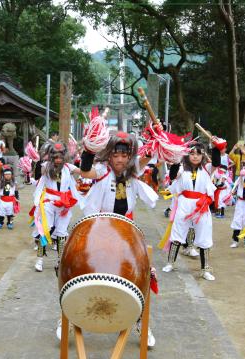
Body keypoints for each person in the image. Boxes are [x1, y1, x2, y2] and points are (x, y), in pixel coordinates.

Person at [78, 131, 158, 348]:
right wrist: (88, 149)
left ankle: (141, 321)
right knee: (84, 270)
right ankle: (68, 317)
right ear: (108, 156)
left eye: (124, 156)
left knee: (140, 274)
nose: (120, 160)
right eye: (115, 155)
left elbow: (149, 154)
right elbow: (86, 172)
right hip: (99, 228)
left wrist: (158, 137)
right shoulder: (102, 171)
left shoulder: (134, 170)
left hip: (126, 230)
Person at [162, 142, 218, 281]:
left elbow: (216, 162)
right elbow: (173, 175)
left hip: (201, 205)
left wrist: (217, 147)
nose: (195, 156)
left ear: (203, 155)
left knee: (204, 235)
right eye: (192, 153)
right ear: (187, 154)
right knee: (177, 232)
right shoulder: (181, 168)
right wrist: (176, 159)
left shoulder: (207, 169)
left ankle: (205, 270)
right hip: (184, 203)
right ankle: (170, 263)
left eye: (198, 153)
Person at [32, 142, 83, 272]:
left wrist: (87, 155)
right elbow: (39, 174)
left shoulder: (68, 167)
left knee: (61, 232)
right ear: (51, 157)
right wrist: (40, 159)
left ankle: (60, 261)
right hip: (49, 201)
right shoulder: (46, 166)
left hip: (64, 202)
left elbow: (84, 172)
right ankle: (39, 259)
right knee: (45, 229)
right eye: (55, 157)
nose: (58, 160)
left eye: (60, 157)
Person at [0, 165, 19, 230]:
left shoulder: (14, 182)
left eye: (9, 174)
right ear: (3, 175)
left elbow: (16, 190)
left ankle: (10, 223)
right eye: (6, 174)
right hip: (2, 200)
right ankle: (0, 222)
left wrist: (17, 198)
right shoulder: (0, 182)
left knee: (10, 214)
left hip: (11, 201)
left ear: (11, 175)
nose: (8, 176)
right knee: (0, 213)